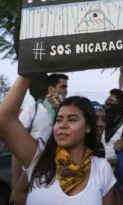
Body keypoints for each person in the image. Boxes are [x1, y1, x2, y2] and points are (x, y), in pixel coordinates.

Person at [0, 76, 115, 205]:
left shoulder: (102, 169)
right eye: (59, 120)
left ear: (88, 127)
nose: (62, 125)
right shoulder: (38, 160)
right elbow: (5, 119)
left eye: (72, 119)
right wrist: (26, 74)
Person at [11, 73, 69, 205]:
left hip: (54, 177)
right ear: (50, 89)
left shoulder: (63, 115)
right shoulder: (33, 110)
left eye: (67, 87)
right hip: (28, 177)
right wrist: (15, 186)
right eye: (62, 86)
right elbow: (16, 149)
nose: (65, 91)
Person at [102, 89, 123, 166]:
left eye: (111, 101)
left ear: (120, 105)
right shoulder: (100, 125)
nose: (107, 103)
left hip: (118, 175)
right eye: (107, 101)